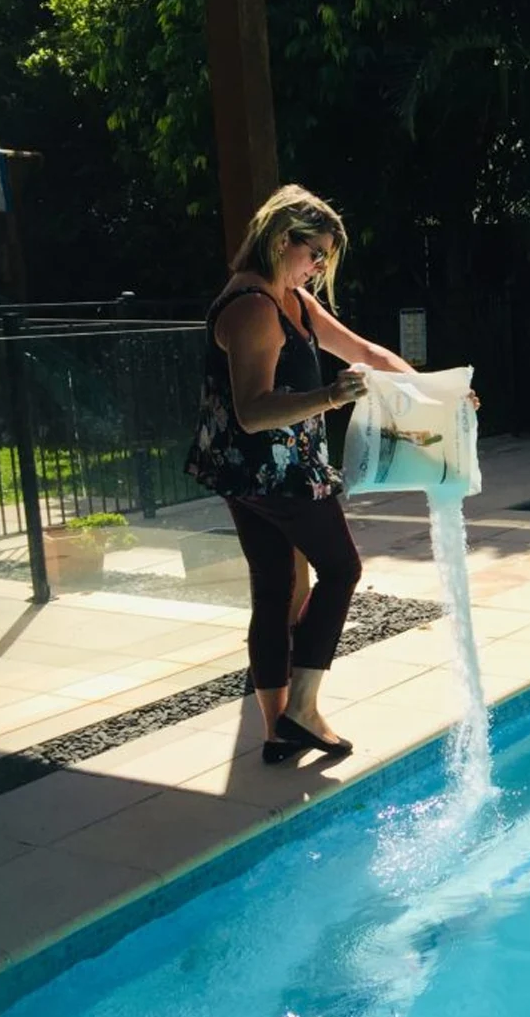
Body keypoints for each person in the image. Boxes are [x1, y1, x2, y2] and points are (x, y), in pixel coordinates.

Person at [186, 184, 475, 764]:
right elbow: (252, 409)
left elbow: (364, 351)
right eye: (313, 253)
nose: (318, 267)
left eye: (324, 258)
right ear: (279, 238)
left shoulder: (289, 297)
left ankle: (278, 731)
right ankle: (304, 708)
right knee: (341, 569)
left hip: (256, 472)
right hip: (273, 473)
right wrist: (328, 396)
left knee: (273, 587)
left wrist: (441, 394)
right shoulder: (252, 307)